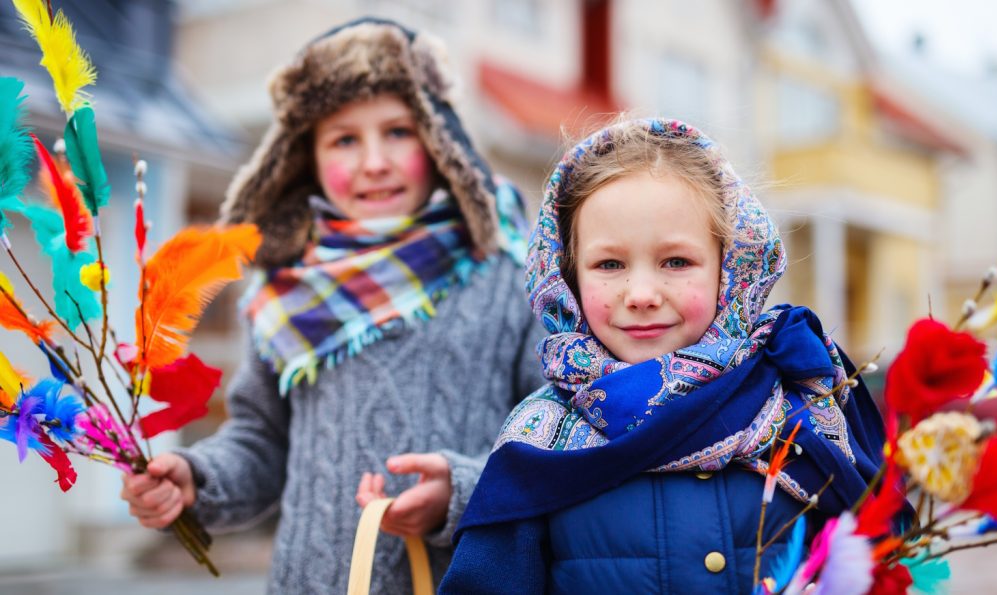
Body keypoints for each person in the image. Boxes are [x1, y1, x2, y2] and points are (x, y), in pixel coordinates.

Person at [119, 18, 545, 594]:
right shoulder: (286, 294)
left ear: (439, 139)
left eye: (398, 131)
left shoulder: (505, 275)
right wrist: (198, 477)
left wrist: (462, 489)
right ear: (307, 158)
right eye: (344, 139)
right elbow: (261, 441)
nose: (374, 162)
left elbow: (548, 439)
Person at [439, 118, 888, 594]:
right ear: (568, 277)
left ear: (730, 268)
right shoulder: (537, 440)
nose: (641, 294)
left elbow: (873, 560)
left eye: (676, 262)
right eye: (609, 264)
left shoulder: (798, 408)